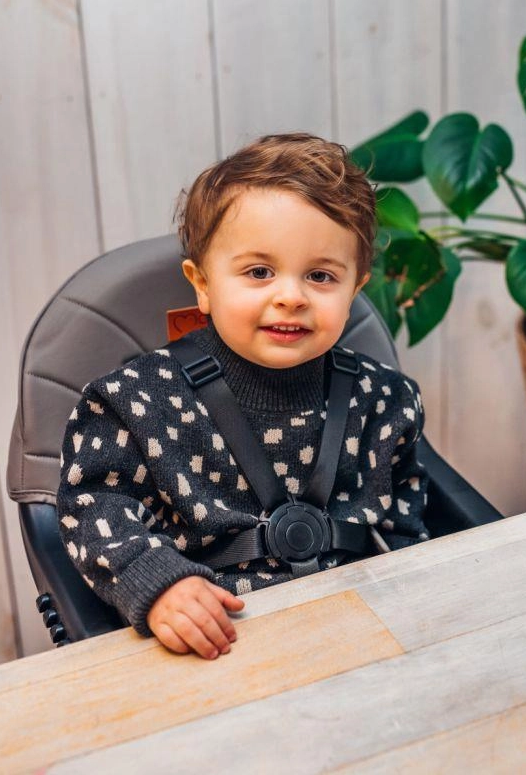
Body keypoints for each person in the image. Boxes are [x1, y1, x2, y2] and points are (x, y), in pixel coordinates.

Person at [57, 133, 429, 660]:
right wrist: (159, 584)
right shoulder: (134, 403)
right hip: (215, 639)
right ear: (202, 284)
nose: (291, 296)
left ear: (355, 288)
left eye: (321, 276)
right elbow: (93, 507)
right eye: (259, 272)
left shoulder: (386, 402)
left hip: (363, 630)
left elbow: (408, 529)